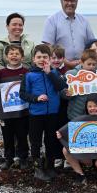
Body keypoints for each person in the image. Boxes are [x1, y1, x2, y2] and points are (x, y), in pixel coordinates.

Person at [19, 44, 68, 181]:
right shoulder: (29, 76)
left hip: (52, 113)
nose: (42, 60)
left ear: (50, 59)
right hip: (36, 114)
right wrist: (36, 98)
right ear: (34, 59)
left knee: (50, 140)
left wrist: (49, 72)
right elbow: (23, 94)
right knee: (36, 142)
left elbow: (61, 87)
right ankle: (37, 168)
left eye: (45, 57)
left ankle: (50, 166)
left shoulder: (54, 73)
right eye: (39, 57)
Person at [57, 96, 97, 183]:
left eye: (95, 106)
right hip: (87, 156)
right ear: (86, 108)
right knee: (66, 150)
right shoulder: (80, 120)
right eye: (90, 106)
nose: (93, 109)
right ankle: (80, 175)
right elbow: (73, 139)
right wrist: (61, 135)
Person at [0, 45, 30, 170]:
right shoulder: (1, 73)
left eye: (17, 54)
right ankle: (9, 158)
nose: (14, 56)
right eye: (11, 54)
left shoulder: (26, 72)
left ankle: (23, 158)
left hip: (22, 112)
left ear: (22, 57)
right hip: (6, 112)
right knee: (7, 137)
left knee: (22, 136)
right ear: (6, 57)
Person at [41, 0, 96, 67]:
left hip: (83, 67)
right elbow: (48, 46)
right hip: (60, 67)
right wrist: (65, 61)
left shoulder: (84, 21)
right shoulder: (51, 20)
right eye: (66, 0)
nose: (69, 3)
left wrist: (84, 60)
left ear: (77, 2)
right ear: (61, 2)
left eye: (72, 1)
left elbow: (91, 44)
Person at [65, 49, 97, 120]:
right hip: (75, 114)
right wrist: (66, 93)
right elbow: (62, 93)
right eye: (89, 64)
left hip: (93, 114)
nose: (91, 67)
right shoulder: (72, 74)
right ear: (81, 62)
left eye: (94, 64)